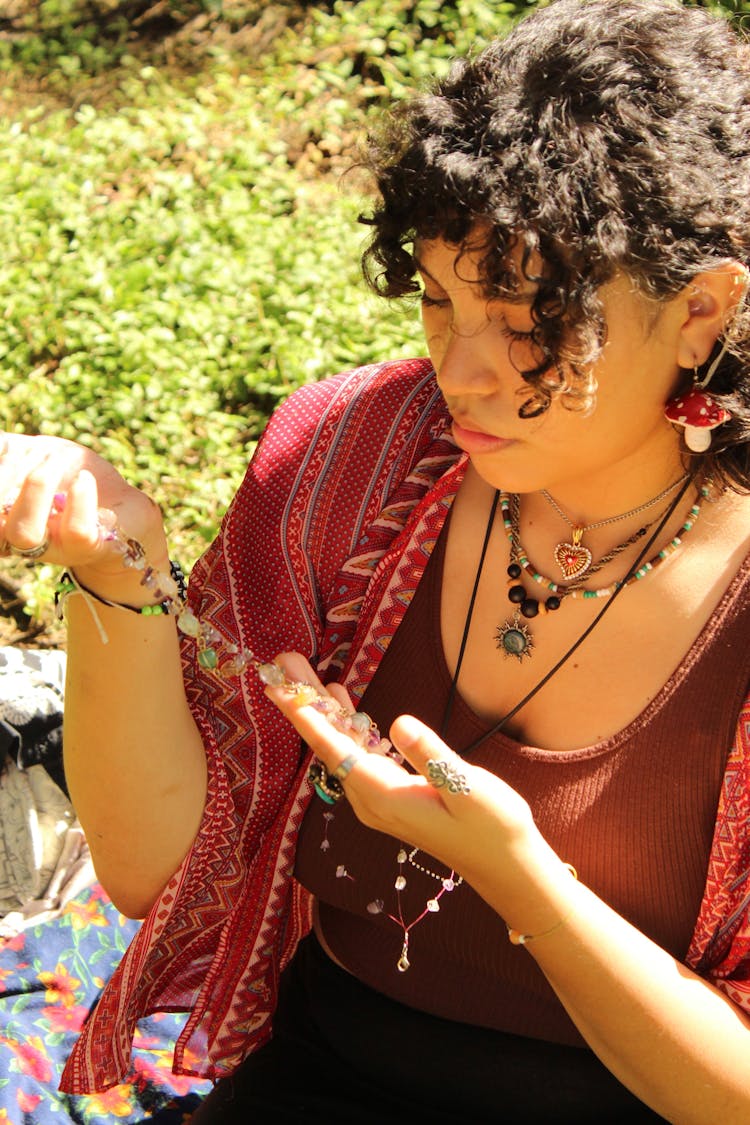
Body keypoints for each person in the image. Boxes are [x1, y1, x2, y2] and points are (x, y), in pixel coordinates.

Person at [1, 0, 750, 1119]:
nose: (465, 371)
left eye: (528, 319)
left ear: (701, 311)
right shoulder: (352, 461)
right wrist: (119, 574)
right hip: (329, 1067)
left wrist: (521, 883)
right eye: (440, 303)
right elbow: (156, 866)